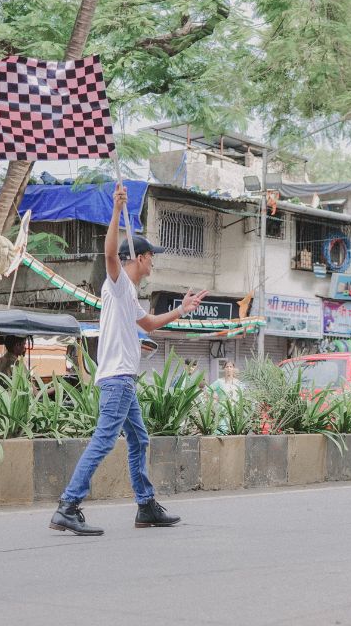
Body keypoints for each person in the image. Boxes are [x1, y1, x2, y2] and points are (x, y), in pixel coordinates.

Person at [50, 183, 209, 536]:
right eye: (151, 255)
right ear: (138, 258)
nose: (154, 260)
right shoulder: (118, 283)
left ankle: (146, 505)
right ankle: (69, 504)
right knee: (104, 441)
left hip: (124, 381)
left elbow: (148, 323)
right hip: (118, 378)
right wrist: (116, 210)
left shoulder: (129, 294)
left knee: (139, 440)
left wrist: (181, 310)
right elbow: (109, 256)